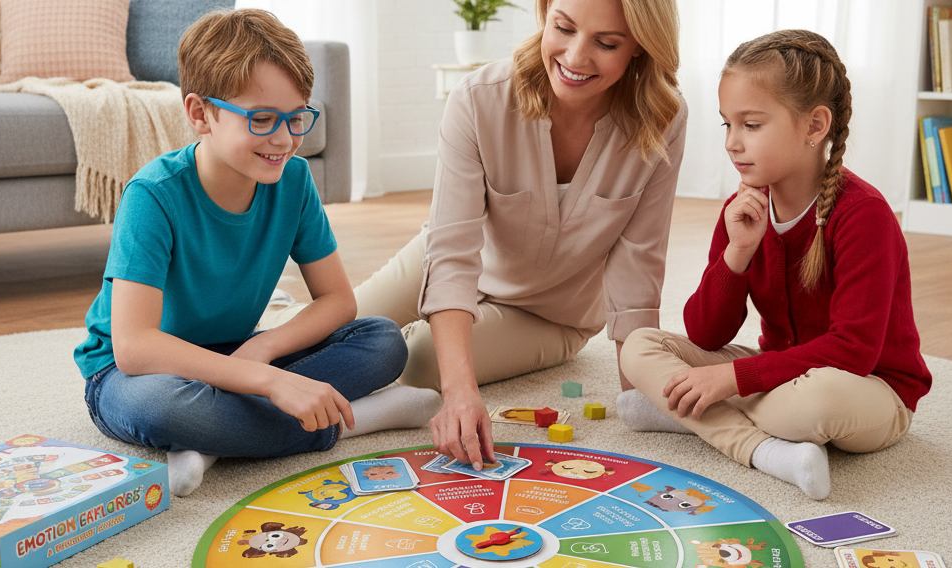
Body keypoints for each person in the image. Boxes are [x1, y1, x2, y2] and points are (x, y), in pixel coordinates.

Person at [274, 0, 686, 469]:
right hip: (447, 259)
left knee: (422, 362)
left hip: (551, 314)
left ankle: (403, 368)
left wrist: (638, 392)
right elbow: (452, 251)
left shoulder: (664, 119)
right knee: (328, 331)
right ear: (545, 12)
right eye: (564, 28)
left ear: (640, 47)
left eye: (606, 43)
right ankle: (239, 366)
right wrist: (459, 391)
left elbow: (639, 262)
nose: (575, 57)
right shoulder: (479, 98)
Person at [73, 9, 439, 497]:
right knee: (163, 408)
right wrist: (266, 382)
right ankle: (359, 420)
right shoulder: (153, 195)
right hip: (134, 372)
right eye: (263, 120)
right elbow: (136, 347)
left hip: (234, 349)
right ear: (201, 114)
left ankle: (210, 440)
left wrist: (262, 353)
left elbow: (338, 302)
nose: (285, 139)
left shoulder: (293, 180)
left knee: (383, 340)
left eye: (296, 118)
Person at [617, 29, 932, 500]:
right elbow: (705, 333)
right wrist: (737, 253)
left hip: (867, 388)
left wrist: (732, 380)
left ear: (814, 125)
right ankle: (763, 449)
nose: (732, 143)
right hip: (781, 372)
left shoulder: (864, 213)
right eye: (727, 124)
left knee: (807, 406)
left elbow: (854, 351)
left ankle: (685, 411)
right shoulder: (743, 209)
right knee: (638, 346)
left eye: (752, 125)